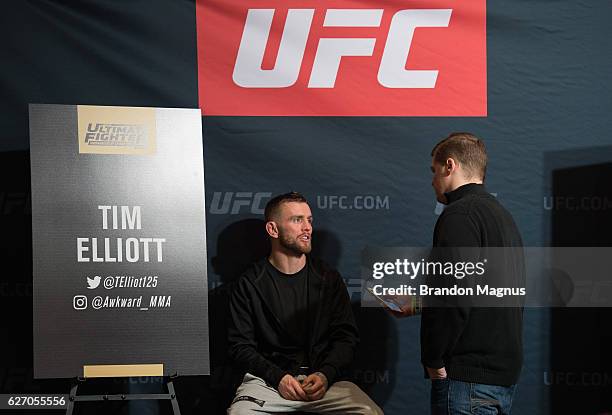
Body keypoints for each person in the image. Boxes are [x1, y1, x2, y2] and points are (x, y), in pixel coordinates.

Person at [396, 133, 524, 414]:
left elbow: (455, 296)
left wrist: (433, 360)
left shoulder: (459, 215)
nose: (432, 180)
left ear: (449, 166)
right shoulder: (503, 217)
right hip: (500, 378)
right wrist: (417, 304)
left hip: (467, 380)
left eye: (434, 170)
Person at [227, 192, 383, 414]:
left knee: (369, 412)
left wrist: (325, 374)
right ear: (273, 229)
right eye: (297, 220)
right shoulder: (249, 283)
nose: (307, 228)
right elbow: (240, 346)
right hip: (268, 382)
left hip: (324, 382)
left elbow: (346, 337)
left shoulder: (328, 278)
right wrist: (278, 377)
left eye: (309, 220)